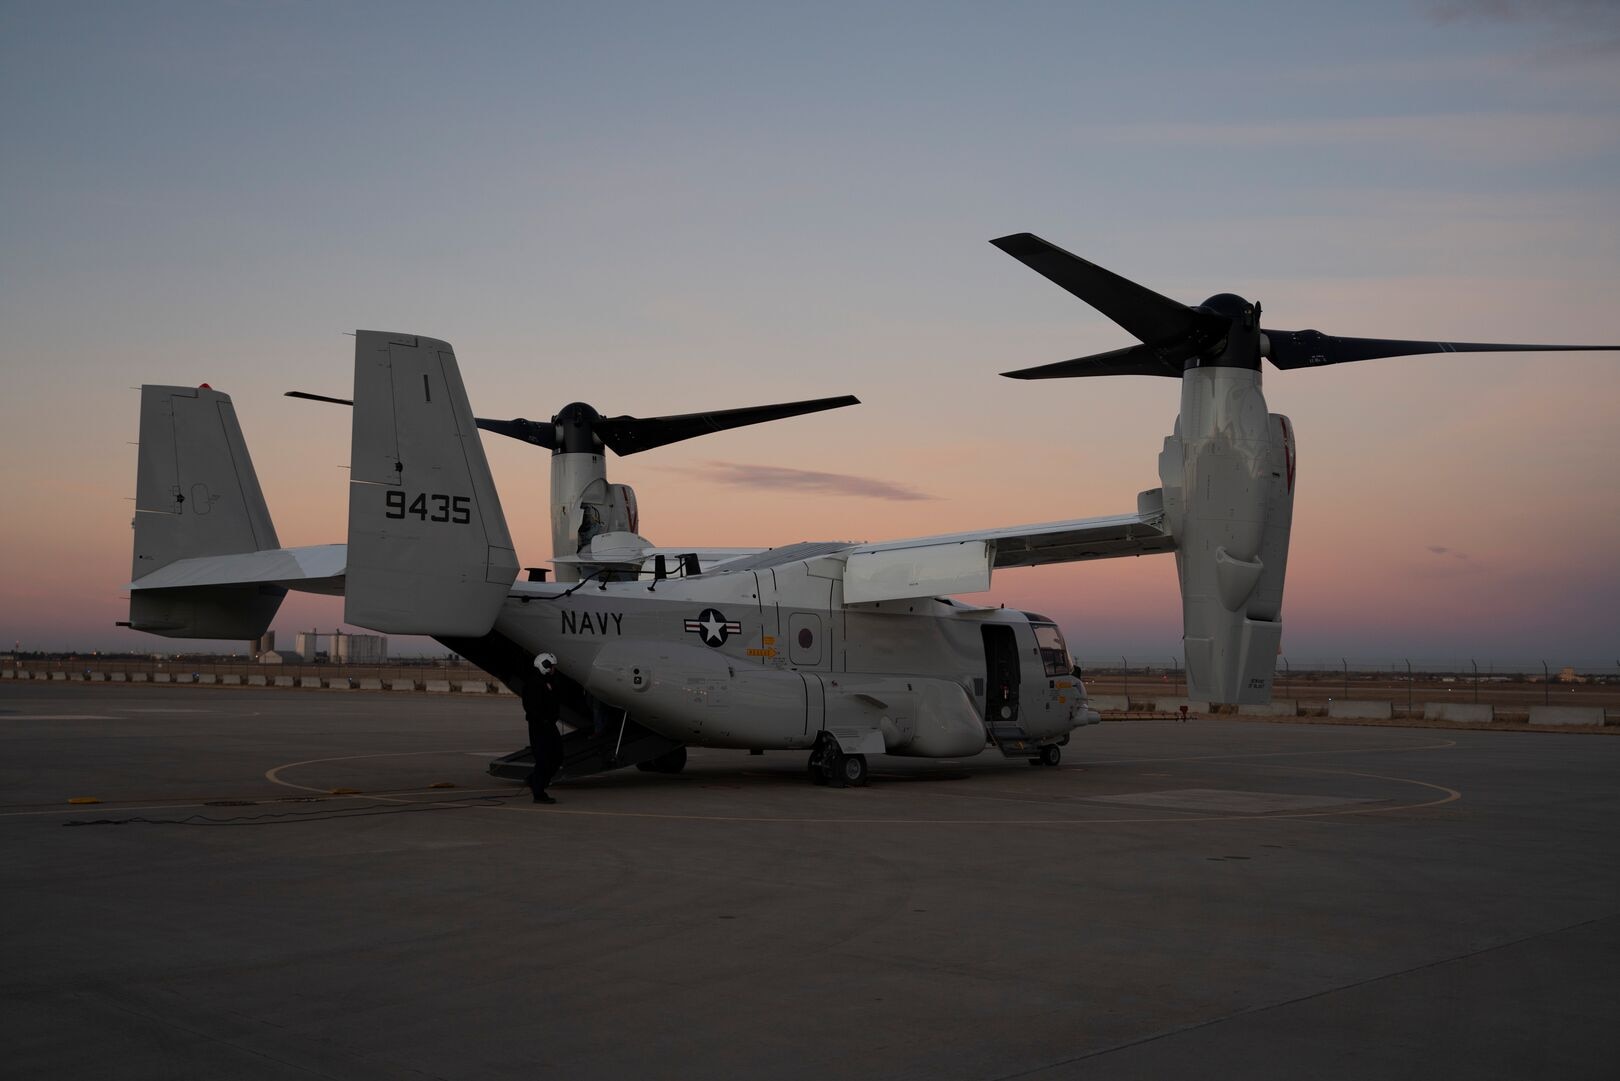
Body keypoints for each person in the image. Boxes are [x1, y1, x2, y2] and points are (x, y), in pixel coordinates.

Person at [523, 653, 564, 804]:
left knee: (557, 756)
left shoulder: (548, 682)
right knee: (543, 759)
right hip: (539, 726)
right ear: (544, 666)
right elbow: (531, 707)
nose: (554, 669)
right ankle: (538, 792)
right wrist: (543, 720)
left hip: (549, 725)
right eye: (552, 666)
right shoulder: (533, 684)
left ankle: (534, 780)